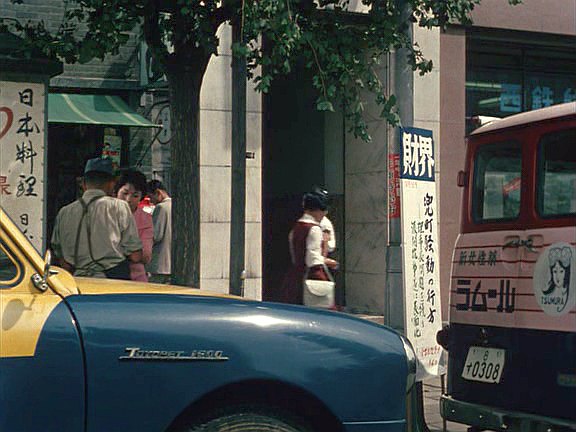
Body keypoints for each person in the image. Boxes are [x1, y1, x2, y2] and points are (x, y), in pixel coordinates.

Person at [51, 158, 142, 280]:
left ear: (83, 184)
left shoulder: (64, 212)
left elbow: (62, 259)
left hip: (78, 282)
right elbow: (135, 255)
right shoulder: (119, 207)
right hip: (113, 281)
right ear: (112, 183)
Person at [281, 190, 338, 305]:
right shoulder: (314, 229)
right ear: (316, 210)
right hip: (311, 279)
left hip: (295, 277)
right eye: (323, 210)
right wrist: (328, 262)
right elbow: (313, 259)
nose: (324, 213)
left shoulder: (297, 227)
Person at [115, 170, 153, 282]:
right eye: (125, 193)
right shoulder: (105, 213)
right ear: (116, 192)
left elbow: (145, 256)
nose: (128, 200)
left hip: (136, 278)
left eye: (135, 195)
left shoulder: (145, 218)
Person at [146, 180, 172, 284]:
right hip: (171, 263)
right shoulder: (174, 205)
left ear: (158, 193)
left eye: (151, 197)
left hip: (160, 263)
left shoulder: (161, 207)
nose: (151, 201)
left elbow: (156, 235)